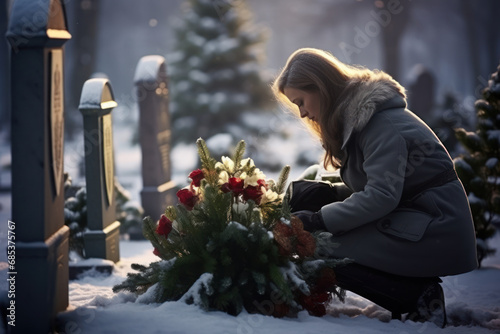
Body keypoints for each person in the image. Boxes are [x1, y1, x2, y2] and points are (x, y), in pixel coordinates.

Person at [273, 48, 478, 327]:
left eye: (302, 101)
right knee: (315, 223)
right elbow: (386, 188)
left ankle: (416, 295)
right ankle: (410, 285)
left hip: (436, 227)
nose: (303, 112)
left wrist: (319, 219)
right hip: (415, 219)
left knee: (320, 245)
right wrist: (329, 195)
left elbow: (382, 197)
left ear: (321, 87)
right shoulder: (363, 120)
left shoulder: (382, 125)